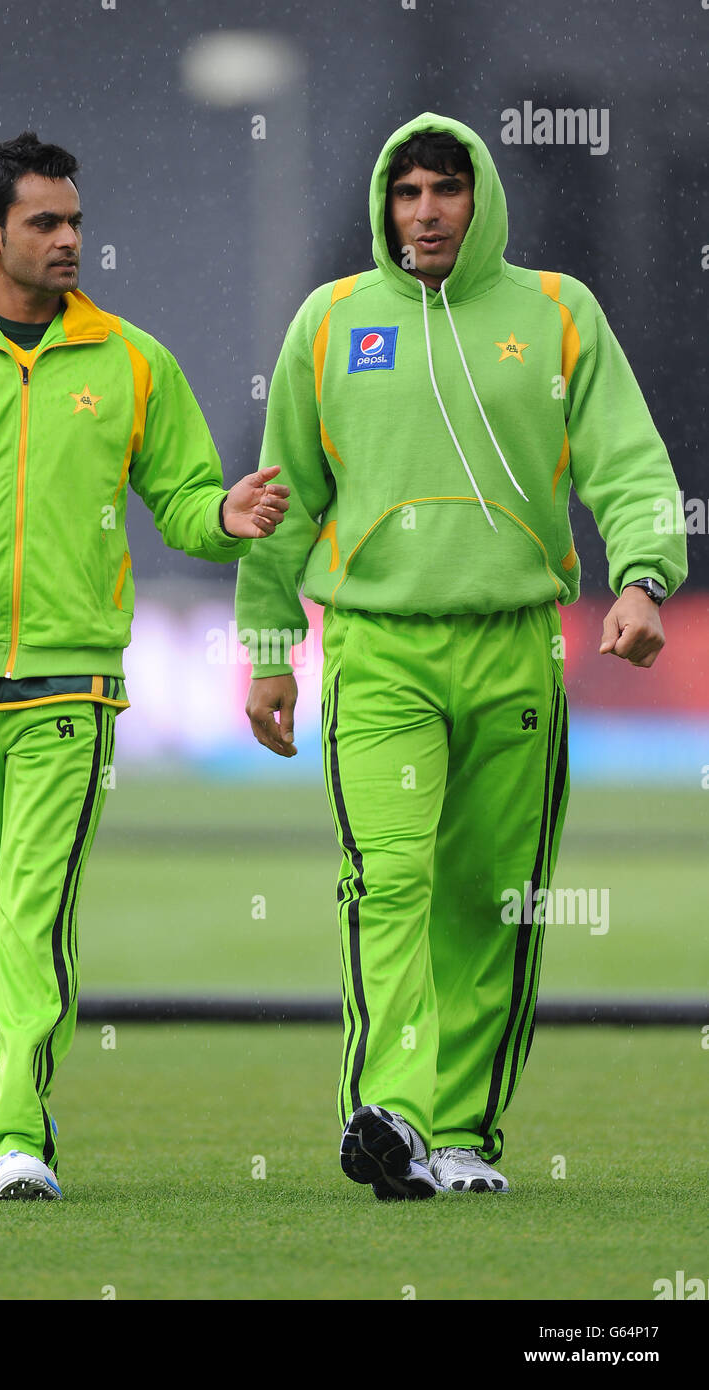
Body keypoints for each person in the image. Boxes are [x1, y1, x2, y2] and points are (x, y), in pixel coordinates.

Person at [235, 112, 686, 1200]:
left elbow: (628, 463)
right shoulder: (331, 319)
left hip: (515, 650)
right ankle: (391, 1111)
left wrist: (642, 576)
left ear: (479, 198)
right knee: (386, 879)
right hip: (378, 651)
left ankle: (464, 1138)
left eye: (444, 190)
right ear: (384, 207)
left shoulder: (559, 311)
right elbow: (280, 496)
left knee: (492, 898)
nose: (424, 213)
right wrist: (266, 645)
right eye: (405, 194)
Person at [0, 131, 288, 1202]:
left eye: (75, 218)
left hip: (70, 686)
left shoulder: (132, 361)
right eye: (46, 222)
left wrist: (223, 516)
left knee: (29, 916)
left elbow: (183, 499)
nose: (72, 237)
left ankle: (18, 1134)